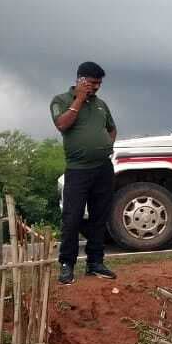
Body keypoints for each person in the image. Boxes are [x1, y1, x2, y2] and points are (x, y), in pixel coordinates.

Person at [51, 62, 116, 285]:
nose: (96, 87)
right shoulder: (61, 100)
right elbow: (62, 125)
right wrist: (79, 99)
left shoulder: (101, 105)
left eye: (99, 83)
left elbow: (111, 128)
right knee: (72, 217)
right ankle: (67, 264)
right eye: (91, 82)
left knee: (100, 217)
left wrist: (108, 144)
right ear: (80, 80)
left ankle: (95, 262)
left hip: (103, 168)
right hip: (78, 170)